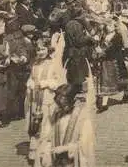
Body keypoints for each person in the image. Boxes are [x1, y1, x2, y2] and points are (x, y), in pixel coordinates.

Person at [25, 34, 66, 165]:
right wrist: (30, 83)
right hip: (35, 99)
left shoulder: (53, 63)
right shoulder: (35, 64)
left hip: (48, 97)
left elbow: (58, 81)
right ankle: (34, 152)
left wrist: (45, 83)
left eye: (43, 49)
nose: (40, 52)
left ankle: (45, 154)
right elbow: (32, 77)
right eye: (38, 49)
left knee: (46, 126)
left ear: (48, 49)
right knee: (35, 125)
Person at [43, 84, 95, 167]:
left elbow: (85, 144)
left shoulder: (82, 117)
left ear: (72, 101)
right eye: (59, 106)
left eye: (65, 106)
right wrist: (48, 149)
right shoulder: (57, 114)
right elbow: (49, 136)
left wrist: (66, 148)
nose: (62, 109)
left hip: (73, 162)